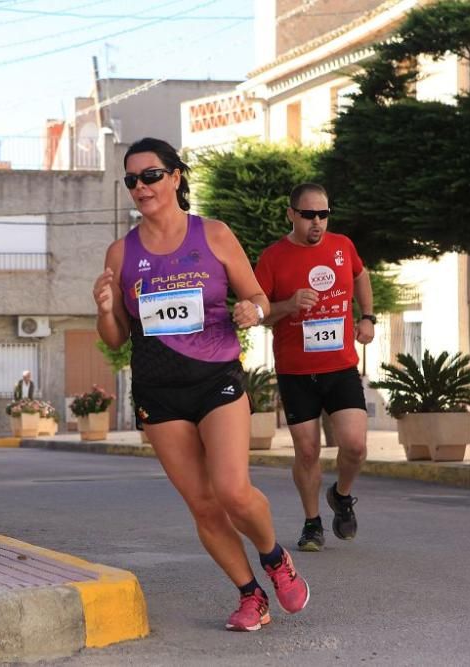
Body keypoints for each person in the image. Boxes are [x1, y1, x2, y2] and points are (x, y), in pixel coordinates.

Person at [93, 137, 309, 632]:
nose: (141, 187)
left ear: (175, 177)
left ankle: (275, 558)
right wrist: (105, 310)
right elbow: (117, 337)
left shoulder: (212, 234)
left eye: (150, 175)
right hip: (158, 392)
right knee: (204, 505)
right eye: (131, 180)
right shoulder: (121, 252)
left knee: (233, 491)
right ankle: (250, 594)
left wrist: (251, 310)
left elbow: (256, 297)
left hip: (216, 379)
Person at [254, 182, 375, 553]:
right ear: (291, 214)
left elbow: (360, 275)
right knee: (307, 452)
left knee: (354, 446)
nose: (317, 222)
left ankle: (341, 495)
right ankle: (312, 523)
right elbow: (259, 313)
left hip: (340, 366)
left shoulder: (342, 246)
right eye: (308, 215)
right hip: (295, 371)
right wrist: (288, 305)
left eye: (323, 214)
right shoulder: (272, 258)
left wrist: (367, 316)